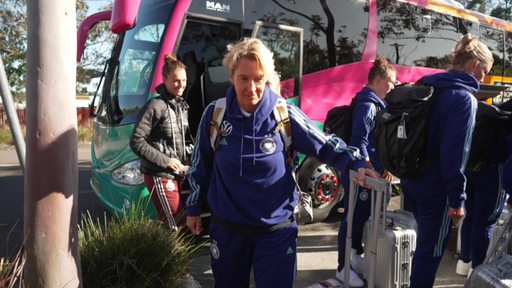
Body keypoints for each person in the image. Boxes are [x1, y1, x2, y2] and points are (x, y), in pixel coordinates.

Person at [184, 38, 378, 288]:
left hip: (275, 232)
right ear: (231, 77)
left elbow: (325, 143)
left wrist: (356, 161)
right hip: (229, 230)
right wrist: (193, 208)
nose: (251, 87)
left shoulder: (283, 113)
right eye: (244, 78)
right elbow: (201, 167)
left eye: (258, 78)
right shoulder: (215, 115)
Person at [400, 34, 493, 288]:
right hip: (436, 188)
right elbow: (455, 154)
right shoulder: (463, 99)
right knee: (430, 254)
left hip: (411, 179)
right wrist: (457, 199)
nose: (484, 79)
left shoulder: (428, 86)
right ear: (474, 65)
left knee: (422, 246)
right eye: (485, 71)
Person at [336, 57, 396, 287]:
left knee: (361, 219)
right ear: (378, 80)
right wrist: (371, 170)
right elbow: (359, 143)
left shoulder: (375, 104)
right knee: (352, 219)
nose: (392, 87)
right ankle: (343, 267)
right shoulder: (368, 106)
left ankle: (354, 257)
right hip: (363, 177)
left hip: (371, 176)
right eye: (391, 82)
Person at [130, 54, 194, 231]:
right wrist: (167, 161)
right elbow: (136, 141)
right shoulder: (155, 105)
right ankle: (174, 258)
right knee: (178, 225)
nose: (181, 85)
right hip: (159, 174)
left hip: (176, 174)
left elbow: (178, 142)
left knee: (172, 223)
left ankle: (169, 258)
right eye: (176, 81)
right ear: (164, 80)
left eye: (184, 80)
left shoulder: (181, 106)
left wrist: (187, 159)